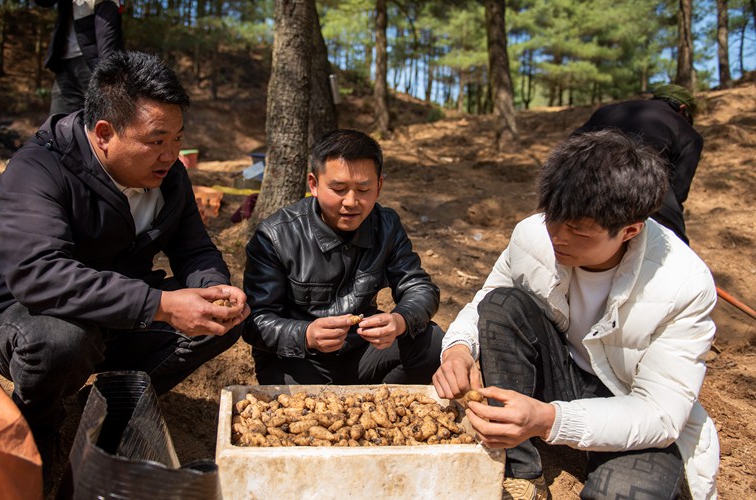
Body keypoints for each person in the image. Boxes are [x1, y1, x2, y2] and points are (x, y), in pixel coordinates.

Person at [0, 51, 248, 490]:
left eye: (178, 138)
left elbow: (194, 250)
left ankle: (116, 404)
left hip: (121, 317)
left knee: (219, 322)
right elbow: (39, 274)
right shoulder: (38, 169)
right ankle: (39, 426)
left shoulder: (169, 176)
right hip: (25, 319)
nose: (171, 154)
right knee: (63, 340)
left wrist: (214, 288)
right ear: (104, 133)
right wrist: (159, 304)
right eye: (156, 140)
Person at [434, 130, 718, 500]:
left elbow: (660, 414)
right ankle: (521, 470)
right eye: (553, 217)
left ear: (630, 230)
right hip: (562, 374)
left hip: (629, 399)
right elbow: (488, 297)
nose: (557, 237)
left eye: (579, 231)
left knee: (623, 493)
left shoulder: (683, 285)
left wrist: (549, 420)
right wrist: (457, 347)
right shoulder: (534, 236)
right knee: (503, 304)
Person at [242, 129, 444, 385]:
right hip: (298, 359)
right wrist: (307, 334)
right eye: (338, 189)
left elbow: (419, 287)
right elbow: (255, 321)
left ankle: (378, 407)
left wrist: (399, 320)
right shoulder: (276, 235)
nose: (351, 202)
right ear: (313, 184)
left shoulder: (386, 225)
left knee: (432, 342)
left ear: (379, 186)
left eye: (363, 189)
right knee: (297, 414)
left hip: (362, 352)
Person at [573, 83, 702, 245]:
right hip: (642, 188)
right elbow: (678, 191)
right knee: (672, 247)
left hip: (581, 184)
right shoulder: (687, 132)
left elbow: (570, 147)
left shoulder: (608, 110)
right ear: (683, 109)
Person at [37, 0, 124, 115]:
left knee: (99, 117)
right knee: (57, 121)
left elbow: (108, 43)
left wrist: (107, 77)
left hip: (92, 65)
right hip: (64, 63)